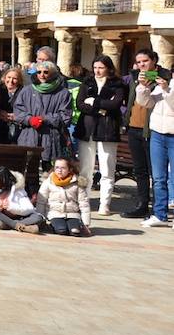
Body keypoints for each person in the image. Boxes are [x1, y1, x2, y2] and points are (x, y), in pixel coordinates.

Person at [74, 55, 126, 218]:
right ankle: (84, 200)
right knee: (85, 168)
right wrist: (100, 108)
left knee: (107, 167)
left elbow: (115, 104)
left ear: (109, 68)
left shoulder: (117, 84)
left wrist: (94, 102)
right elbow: (80, 104)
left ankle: (105, 203)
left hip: (107, 128)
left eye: (101, 67)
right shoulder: (87, 82)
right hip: (87, 127)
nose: (97, 70)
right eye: (95, 67)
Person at [122, 50, 167, 220]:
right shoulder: (135, 77)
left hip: (152, 129)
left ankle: (159, 208)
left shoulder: (163, 77)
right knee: (139, 170)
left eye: (145, 61)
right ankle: (142, 205)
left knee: (156, 172)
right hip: (134, 128)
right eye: (139, 61)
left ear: (154, 60)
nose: (142, 65)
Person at [134, 62, 174, 228]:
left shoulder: (166, 86)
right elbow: (146, 103)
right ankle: (160, 214)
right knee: (158, 178)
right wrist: (142, 87)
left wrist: (167, 90)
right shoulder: (160, 84)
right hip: (157, 134)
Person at [14, 61, 74, 168]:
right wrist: (29, 119)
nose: (42, 75)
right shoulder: (26, 90)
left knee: (49, 174)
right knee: (29, 174)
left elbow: (65, 116)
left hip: (52, 138)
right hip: (29, 136)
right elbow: (18, 112)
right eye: (39, 72)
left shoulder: (63, 93)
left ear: (53, 74)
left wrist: (45, 119)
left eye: (46, 72)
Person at [38, 155, 90, 237]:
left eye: (63, 168)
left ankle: (76, 225)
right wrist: (40, 219)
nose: (59, 170)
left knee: (75, 231)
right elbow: (41, 201)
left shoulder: (77, 183)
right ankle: (52, 226)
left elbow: (84, 203)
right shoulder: (48, 182)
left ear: (70, 169)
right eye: (57, 167)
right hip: (55, 213)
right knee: (61, 230)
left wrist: (86, 224)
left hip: (72, 213)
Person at [0, 166, 43, 233]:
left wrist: (11, 207)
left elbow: (29, 208)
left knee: (38, 217)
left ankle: (8, 225)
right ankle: (20, 226)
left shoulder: (17, 189)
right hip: (3, 217)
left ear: (3, 180)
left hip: (20, 216)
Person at [0, 66, 25, 145]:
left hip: (17, 130)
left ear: (19, 80)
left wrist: (16, 116)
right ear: (4, 78)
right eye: (9, 77)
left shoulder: (24, 92)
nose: (11, 81)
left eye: (14, 78)